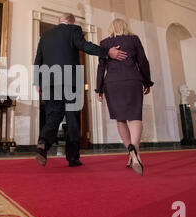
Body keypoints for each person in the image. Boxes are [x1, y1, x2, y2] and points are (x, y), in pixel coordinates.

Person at [34, 13, 128, 167]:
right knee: (72, 118)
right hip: (70, 79)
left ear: (59, 21)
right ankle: (72, 158)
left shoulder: (45, 35)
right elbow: (85, 46)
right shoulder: (73, 30)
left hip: (49, 81)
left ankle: (43, 141)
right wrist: (107, 52)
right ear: (71, 22)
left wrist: (37, 82)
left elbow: (38, 59)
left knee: (53, 114)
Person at [95, 18, 154, 176]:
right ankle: (135, 150)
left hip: (112, 84)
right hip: (132, 81)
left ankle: (131, 153)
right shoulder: (133, 39)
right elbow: (143, 61)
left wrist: (98, 88)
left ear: (111, 28)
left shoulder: (104, 43)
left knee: (120, 119)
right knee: (135, 117)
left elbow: (101, 66)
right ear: (126, 27)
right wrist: (147, 81)